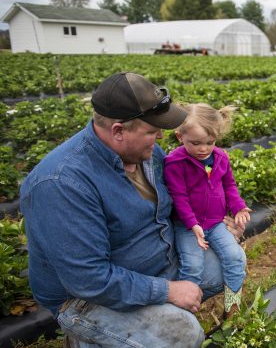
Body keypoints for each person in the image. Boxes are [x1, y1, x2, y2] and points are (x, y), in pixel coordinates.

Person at [20, 72, 225, 348]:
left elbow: (178, 202)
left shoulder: (146, 155)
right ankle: (90, 337)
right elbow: (89, 279)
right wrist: (167, 291)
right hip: (87, 298)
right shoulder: (61, 183)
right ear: (118, 131)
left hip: (155, 265)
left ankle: (146, 323)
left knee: (228, 263)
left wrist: (213, 220)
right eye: (152, 131)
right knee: (185, 334)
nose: (161, 136)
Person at [164, 103, 251, 316]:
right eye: (195, 143)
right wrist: (192, 224)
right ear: (179, 137)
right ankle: (186, 315)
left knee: (235, 256)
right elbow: (179, 198)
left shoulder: (221, 157)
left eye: (209, 143)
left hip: (216, 222)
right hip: (187, 227)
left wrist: (238, 208)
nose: (203, 149)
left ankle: (232, 305)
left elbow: (229, 186)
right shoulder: (175, 162)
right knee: (192, 267)